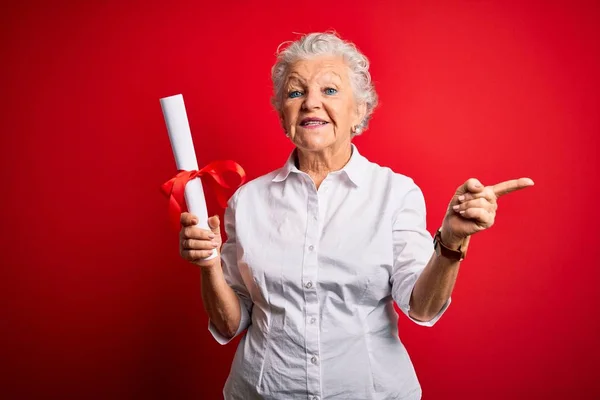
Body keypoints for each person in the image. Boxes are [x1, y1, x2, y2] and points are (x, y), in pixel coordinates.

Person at [178, 32, 534, 400]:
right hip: (263, 391)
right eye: (296, 92)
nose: (311, 103)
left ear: (359, 111)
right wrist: (209, 266)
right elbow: (229, 322)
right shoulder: (246, 201)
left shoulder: (395, 193)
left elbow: (422, 308)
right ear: (283, 114)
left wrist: (451, 241)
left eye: (329, 91)